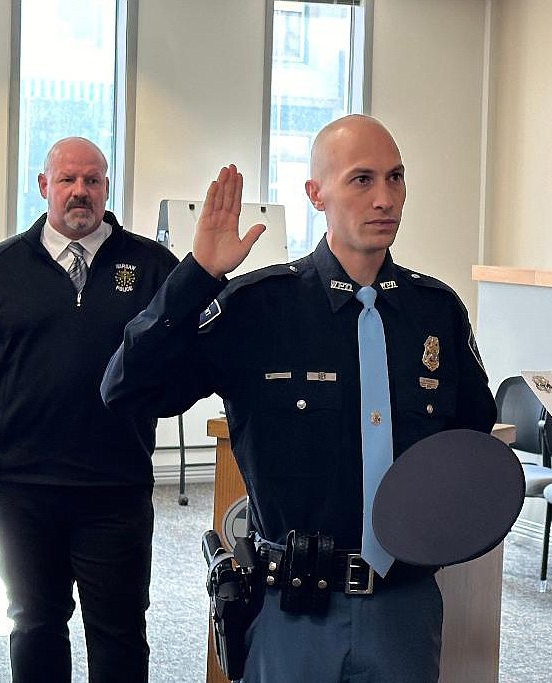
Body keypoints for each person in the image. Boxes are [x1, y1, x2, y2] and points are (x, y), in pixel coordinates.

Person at [101, 114, 496, 682]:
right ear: (317, 194)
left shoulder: (436, 312)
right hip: (294, 609)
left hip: (403, 605)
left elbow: (470, 440)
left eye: (396, 178)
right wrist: (198, 276)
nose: (385, 198)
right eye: (362, 179)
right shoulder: (261, 307)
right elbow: (125, 389)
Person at [0, 137, 179, 682]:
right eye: (67, 179)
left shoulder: (152, 266)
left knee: (118, 631)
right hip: (22, 491)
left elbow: (197, 351)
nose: (80, 192)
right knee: (34, 625)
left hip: (115, 490)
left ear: (106, 186)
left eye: (92, 180)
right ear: (44, 186)